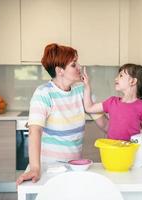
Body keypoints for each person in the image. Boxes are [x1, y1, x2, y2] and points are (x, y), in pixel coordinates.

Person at [16, 43, 107, 185]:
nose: (79, 67)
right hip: (49, 169)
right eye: (73, 64)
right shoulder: (44, 93)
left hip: (76, 166)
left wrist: (130, 133)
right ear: (60, 70)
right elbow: (35, 131)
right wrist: (35, 168)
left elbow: (106, 125)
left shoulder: (82, 92)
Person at [83, 63, 142, 160]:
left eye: (121, 75)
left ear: (133, 81)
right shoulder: (111, 102)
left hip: (131, 154)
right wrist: (87, 86)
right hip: (112, 152)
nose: (115, 79)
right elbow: (89, 108)